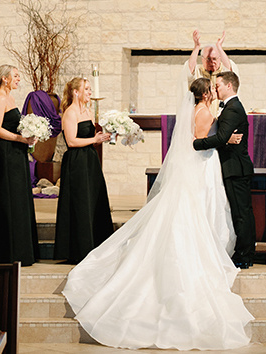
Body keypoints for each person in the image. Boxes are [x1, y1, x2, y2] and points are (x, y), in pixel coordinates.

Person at [63, 74, 253, 349]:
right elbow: (203, 139)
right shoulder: (203, 112)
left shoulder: (203, 108)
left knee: (197, 210)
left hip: (203, 164)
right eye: (211, 89)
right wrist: (225, 140)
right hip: (202, 163)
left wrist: (222, 138)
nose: (214, 91)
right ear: (205, 95)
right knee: (198, 210)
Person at [0, 65, 39, 266]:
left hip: (16, 153)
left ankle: (20, 250)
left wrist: (29, 137)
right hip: (4, 153)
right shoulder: (0, 97)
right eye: (16, 76)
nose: (19, 79)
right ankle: (4, 251)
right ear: (4, 79)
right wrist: (20, 138)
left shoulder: (9, 97)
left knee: (18, 200)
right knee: (5, 199)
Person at [193, 69, 256, 269]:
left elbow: (219, 138)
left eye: (218, 85)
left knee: (242, 213)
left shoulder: (233, 108)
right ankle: (242, 252)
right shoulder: (229, 107)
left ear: (229, 86)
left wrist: (195, 144)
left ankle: (245, 256)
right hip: (230, 167)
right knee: (238, 212)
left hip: (236, 168)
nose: (216, 89)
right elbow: (223, 137)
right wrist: (226, 139)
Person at [54, 77, 112, 263]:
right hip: (76, 163)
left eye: (89, 89)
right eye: (86, 89)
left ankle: (96, 245)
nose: (89, 92)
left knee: (93, 200)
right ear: (75, 92)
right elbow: (71, 141)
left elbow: (88, 135)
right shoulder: (70, 113)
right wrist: (94, 141)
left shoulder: (87, 111)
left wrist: (101, 136)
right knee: (79, 203)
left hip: (89, 161)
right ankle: (79, 249)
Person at [185, 29, 239, 118]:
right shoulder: (198, 70)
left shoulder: (223, 72)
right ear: (202, 59)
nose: (212, 62)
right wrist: (197, 47)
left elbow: (230, 71)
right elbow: (189, 71)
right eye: (208, 59)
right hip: (202, 116)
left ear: (220, 58)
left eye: (215, 59)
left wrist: (219, 46)